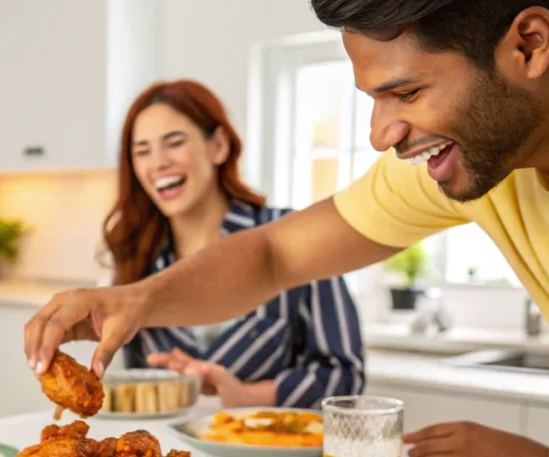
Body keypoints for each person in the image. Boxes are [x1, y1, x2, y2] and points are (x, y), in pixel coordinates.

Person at [24, 0, 549, 457]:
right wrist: (134, 299)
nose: (381, 134)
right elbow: (274, 256)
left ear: (529, 44)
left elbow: (338, 367)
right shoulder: (465, 164)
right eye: (373, 100)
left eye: (407, 92)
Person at [104, 80, 364, 409]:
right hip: (172, 456)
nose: (158, 163)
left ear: (219, 147)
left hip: (271, 453)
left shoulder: (294, 237)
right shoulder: (138, 259)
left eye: (174, 142)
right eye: (142, 151)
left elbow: (345, 375)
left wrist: (247, 396)